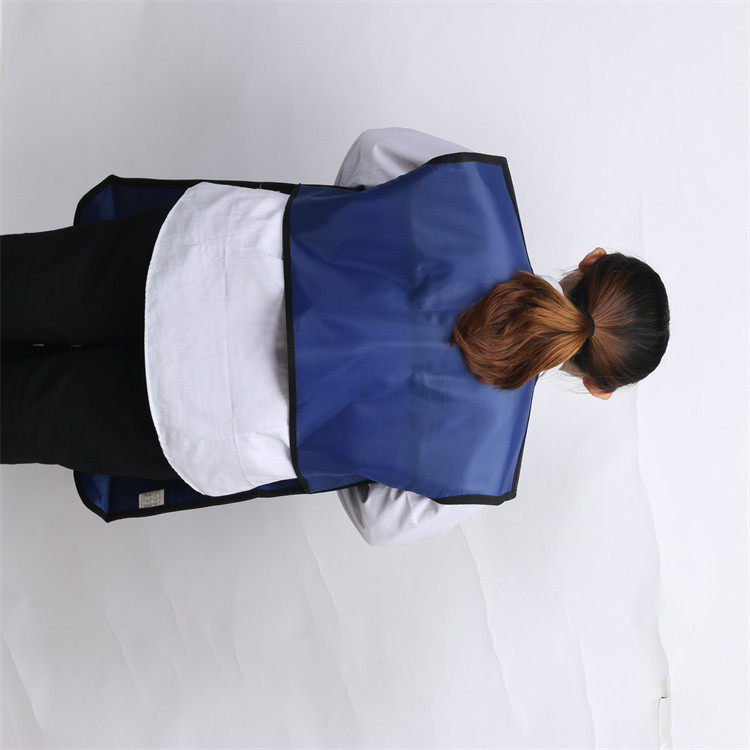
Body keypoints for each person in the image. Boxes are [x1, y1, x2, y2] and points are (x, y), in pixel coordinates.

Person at [0, 128, 670, 544]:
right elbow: (379, 521)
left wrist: (352, 236)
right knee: (23, 414)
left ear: (591, 260)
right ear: (598, 385)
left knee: (23, 284)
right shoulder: (482, 469)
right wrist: (346, 424)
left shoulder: (478, 190)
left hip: (212, 256)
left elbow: (370, 152)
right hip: (207, 418)